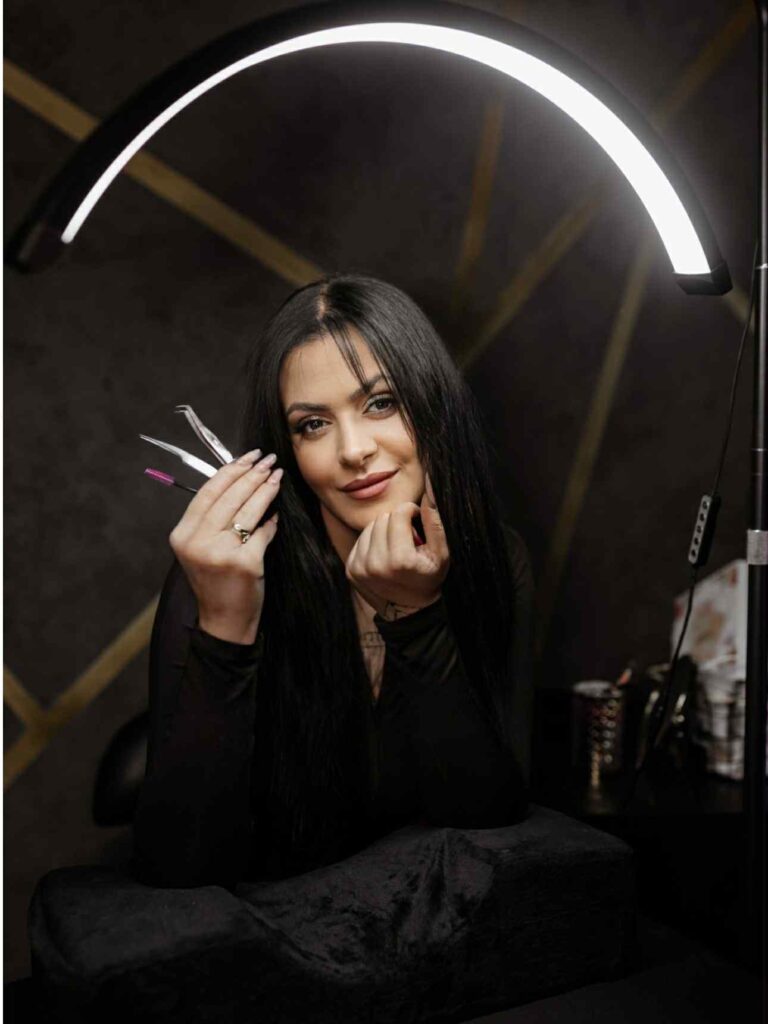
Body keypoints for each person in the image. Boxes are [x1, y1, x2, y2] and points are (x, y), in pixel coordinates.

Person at [130, 273, 534, 890]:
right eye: (313, 425)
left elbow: (488, 817)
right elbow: (179, 868)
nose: (353, 450)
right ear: (287, 451)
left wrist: (417, 618)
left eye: (381, 403)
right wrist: (226, 624)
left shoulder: (496, 558)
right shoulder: (220, 576)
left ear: (433, 406)